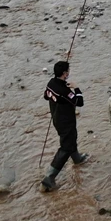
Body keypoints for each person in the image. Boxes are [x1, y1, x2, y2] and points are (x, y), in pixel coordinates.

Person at [41, 60, 88, 192]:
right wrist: (76, 87)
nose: (69, 72)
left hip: (56, 120)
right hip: (66, 122)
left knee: (71, 140)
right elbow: (80, 102)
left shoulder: (51, 83)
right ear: (64, 74)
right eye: (68, 71)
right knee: (66, 147)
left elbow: (46, 96)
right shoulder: (64, 91)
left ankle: (77, 159)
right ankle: (49, 178)